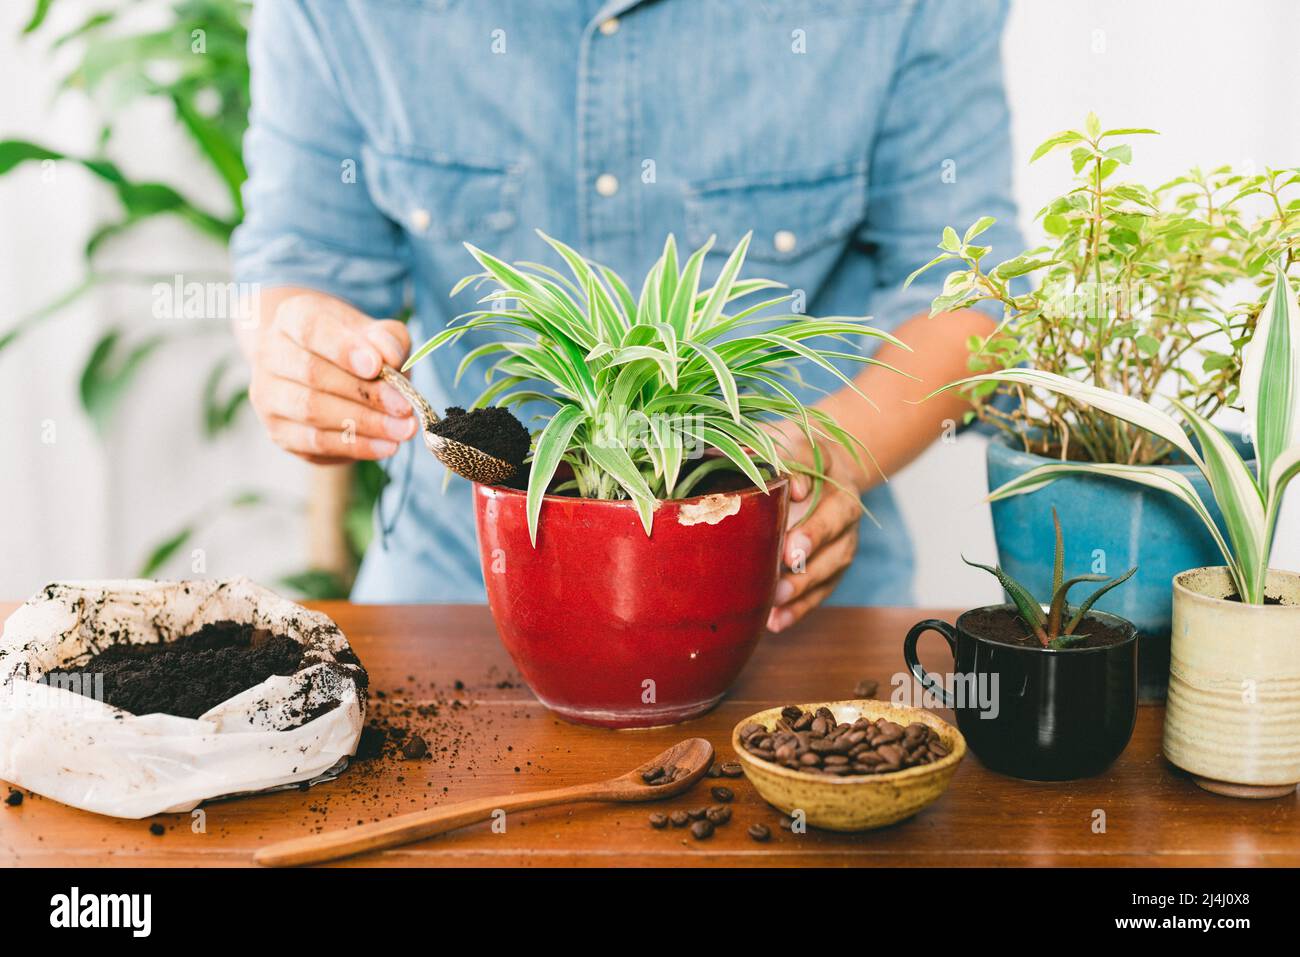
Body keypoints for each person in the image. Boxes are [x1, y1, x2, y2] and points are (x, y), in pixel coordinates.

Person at [231, 0, 1021, 631]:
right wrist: (309, 362)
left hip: (783, 601)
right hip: (455, 599)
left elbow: (968, 305)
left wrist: (830, 454)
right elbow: (300, 263)